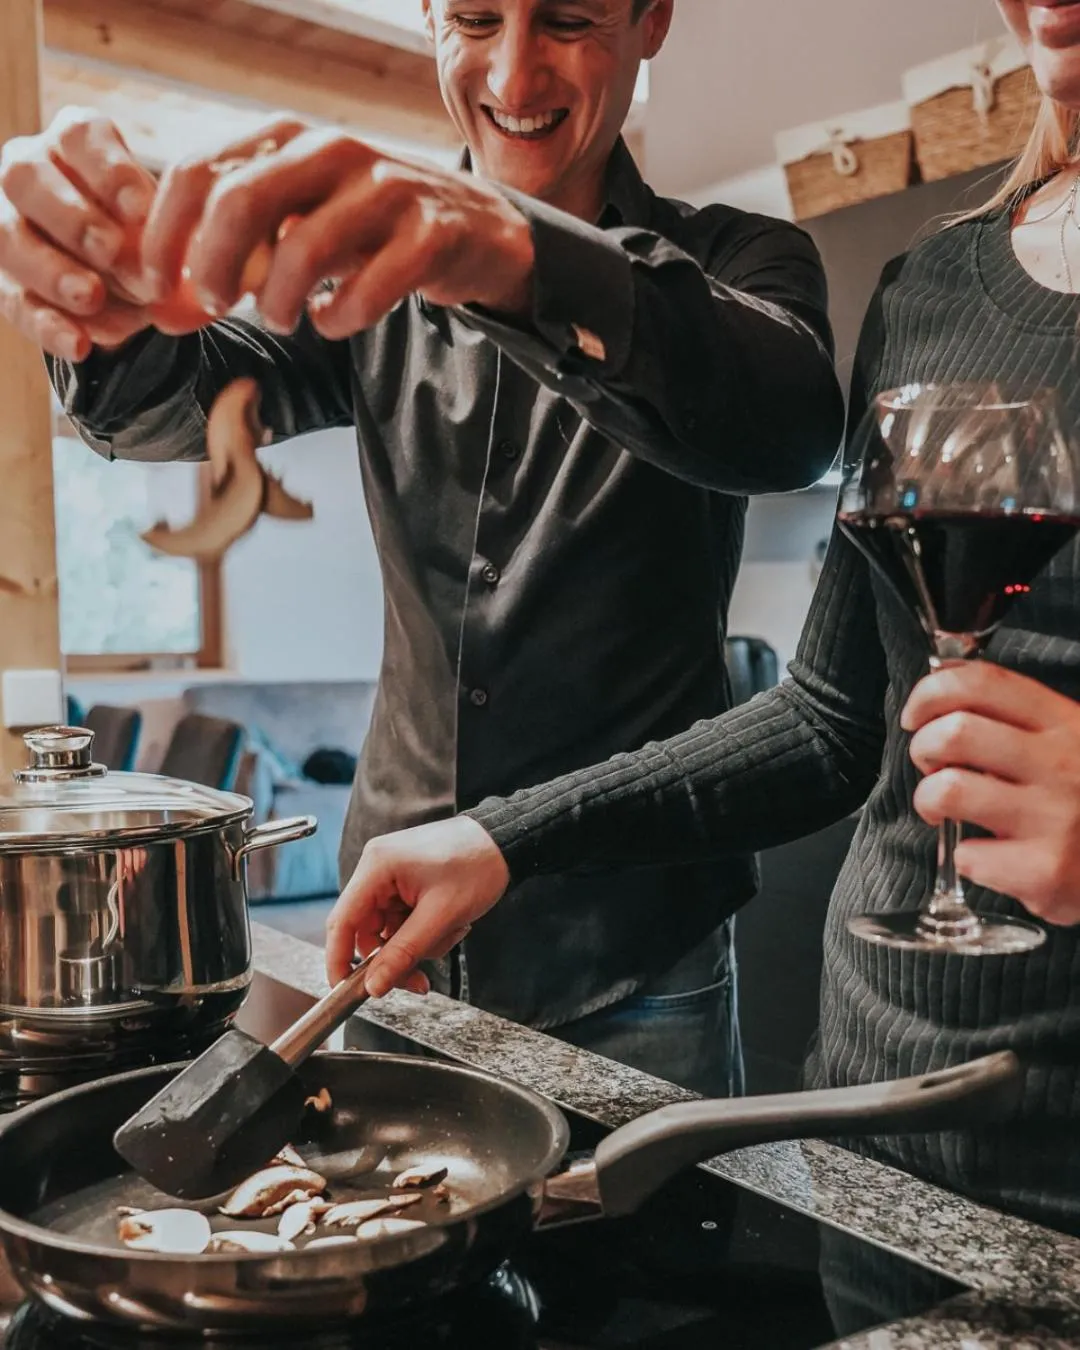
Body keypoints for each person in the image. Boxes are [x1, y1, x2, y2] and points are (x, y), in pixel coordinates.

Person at [327, 0, 1080, 1241]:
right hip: (877, 1114)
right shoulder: (934, 282)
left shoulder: (749, 262)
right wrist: (501, 839)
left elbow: (772, 422)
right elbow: (837, 722)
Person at [0, 0, 845, 1096]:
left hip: (640, 951)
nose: (515, 69)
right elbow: (179, 401)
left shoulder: (744, 258)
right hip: (396, 951)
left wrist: (502, 250)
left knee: (650, 1268)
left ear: (651, 20)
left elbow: (787, 426)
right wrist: (108, 322)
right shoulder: (371, 289)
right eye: (476, 18)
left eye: (569, 19)